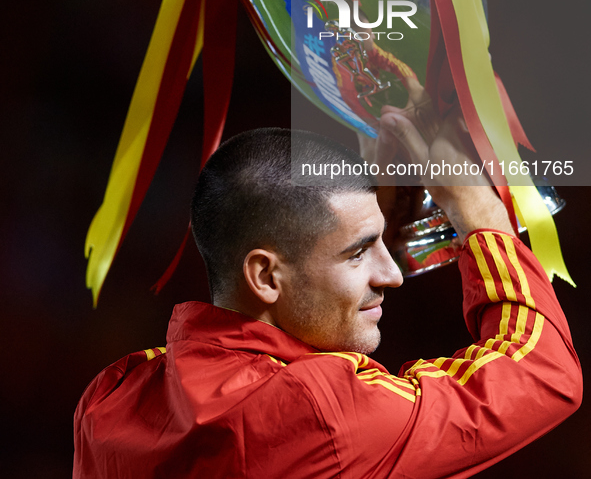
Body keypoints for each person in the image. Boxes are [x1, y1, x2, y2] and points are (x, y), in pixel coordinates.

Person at [73, 125, 582, 478]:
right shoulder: (316, 412)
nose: (393, 276)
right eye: (359, 252)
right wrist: (479, 213)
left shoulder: (112, 396)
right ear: (265, 275)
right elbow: (543, 374)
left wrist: (372, 221)